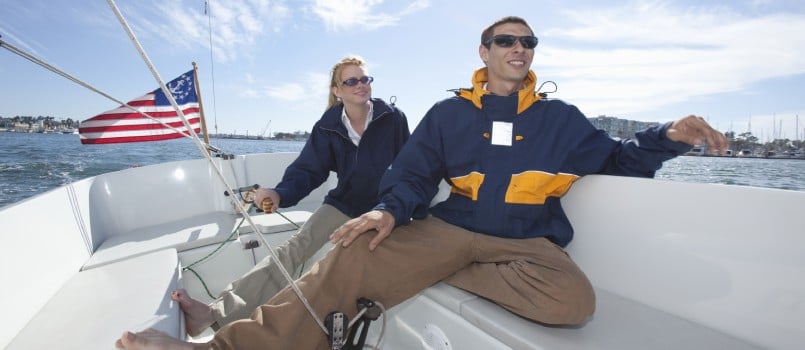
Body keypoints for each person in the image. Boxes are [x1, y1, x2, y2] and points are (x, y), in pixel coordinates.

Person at [116, 16, 728, 349]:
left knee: (574, 305)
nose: (519, 48)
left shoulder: (561, 121)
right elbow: (409, 176)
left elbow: (617, 159)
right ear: (485, 51)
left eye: (528, 42)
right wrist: (387, 211)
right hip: (449, 227)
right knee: (345, 252)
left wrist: (668, 137)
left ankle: (429, 269)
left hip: (524, 238)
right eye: (506, 40)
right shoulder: (447, 115)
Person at [169, 55, 410, 336]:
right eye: (351, 81)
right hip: (346, 203)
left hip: (385, 206)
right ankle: (213, 313)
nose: (361, 85)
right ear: (337, 90)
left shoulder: (393, 118)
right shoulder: (327, 126)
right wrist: (280, 193)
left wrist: (396, 207)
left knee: (347, 261)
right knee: (294, 248)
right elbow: (308, 171)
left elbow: (410, 166)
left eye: (365, 79)